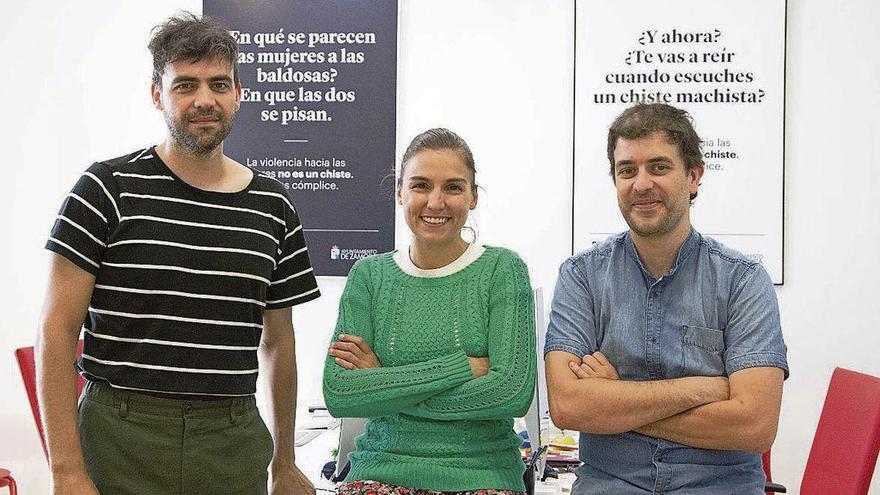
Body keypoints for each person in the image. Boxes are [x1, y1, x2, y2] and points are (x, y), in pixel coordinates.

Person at [35, 12, 320, 495]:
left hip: (232, 442)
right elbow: (56, 332)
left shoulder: (274, 206)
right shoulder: (105, 189)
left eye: (218, 84)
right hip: (120, 438)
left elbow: (278, 342)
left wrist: (284, 462)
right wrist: (66, 471)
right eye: (185, 84)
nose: (204, 99)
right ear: (156, 94)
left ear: (239, 94)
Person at [544, 103, 788, 494]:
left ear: (693, 176)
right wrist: (705, 388)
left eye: (659, 167)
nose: (641, 184)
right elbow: (568, 407)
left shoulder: (743, 281)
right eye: (627, 170)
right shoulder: (581, 277)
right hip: (611, 486)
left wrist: (614, 403)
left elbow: (755, 426)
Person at [322, 128, 536, 494]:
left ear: (473, 198)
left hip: (481, 476)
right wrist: (462, 367)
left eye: (453, 187)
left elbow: (511, 394)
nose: (435, 202)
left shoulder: (503, 270)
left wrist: (386, 382)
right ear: (400, 192)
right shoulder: (369, 277)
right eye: (420, 186)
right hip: (379, 472)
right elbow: (342, 393)